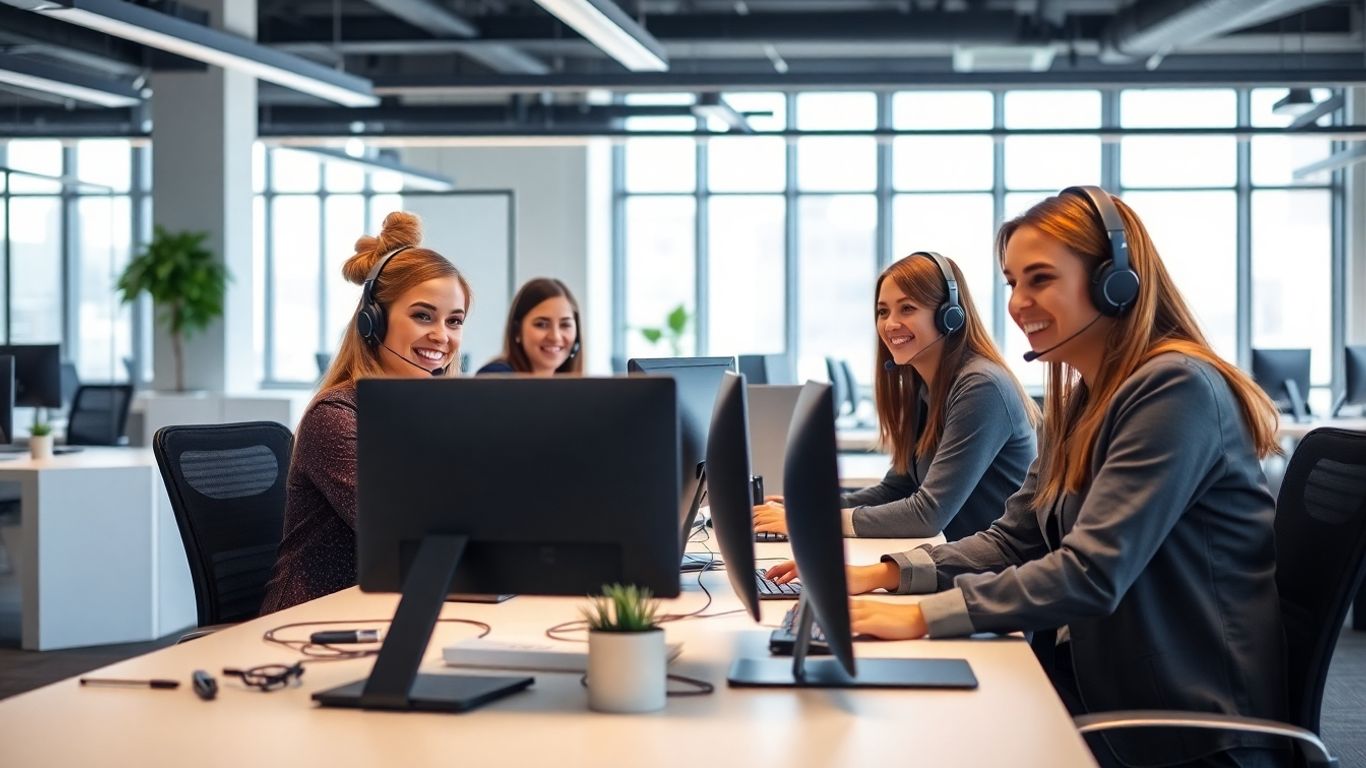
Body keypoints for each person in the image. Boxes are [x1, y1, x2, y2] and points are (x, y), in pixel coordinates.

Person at [773, 187, 1288, 768]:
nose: (1018, 302)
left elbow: (1090, 572)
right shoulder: (1089, 398)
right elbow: (1016, 536)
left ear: (1117, 282)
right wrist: (885, 575)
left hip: (1184, 727)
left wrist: (921, 614)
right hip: (1102, 684)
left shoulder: (1175, 389)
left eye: (1040, 278)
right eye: (1013, 282)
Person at [260, 211, 472, 614]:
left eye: (454, 321)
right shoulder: (336, 416)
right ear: (372, 322)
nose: (442, 336)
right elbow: (406, 531)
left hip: (400, 606)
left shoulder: (442, 414)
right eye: (422, 315)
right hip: (315, 621)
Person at [754, 251, 1038, 540]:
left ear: (949, 316)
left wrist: (811, 520)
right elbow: (897, 488)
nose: (890, 324)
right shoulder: (924, 387)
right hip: (952, 562)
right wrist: (809, 507)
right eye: (883, 311)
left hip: (993, 575)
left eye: (907, 308)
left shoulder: (981, 386)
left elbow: (927, 514)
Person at [477, 278, 583, 376]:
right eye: (542, 324)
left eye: (565, 325)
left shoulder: (575, 386)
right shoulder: (496, 376)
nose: (555, 337)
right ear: (517, 331)